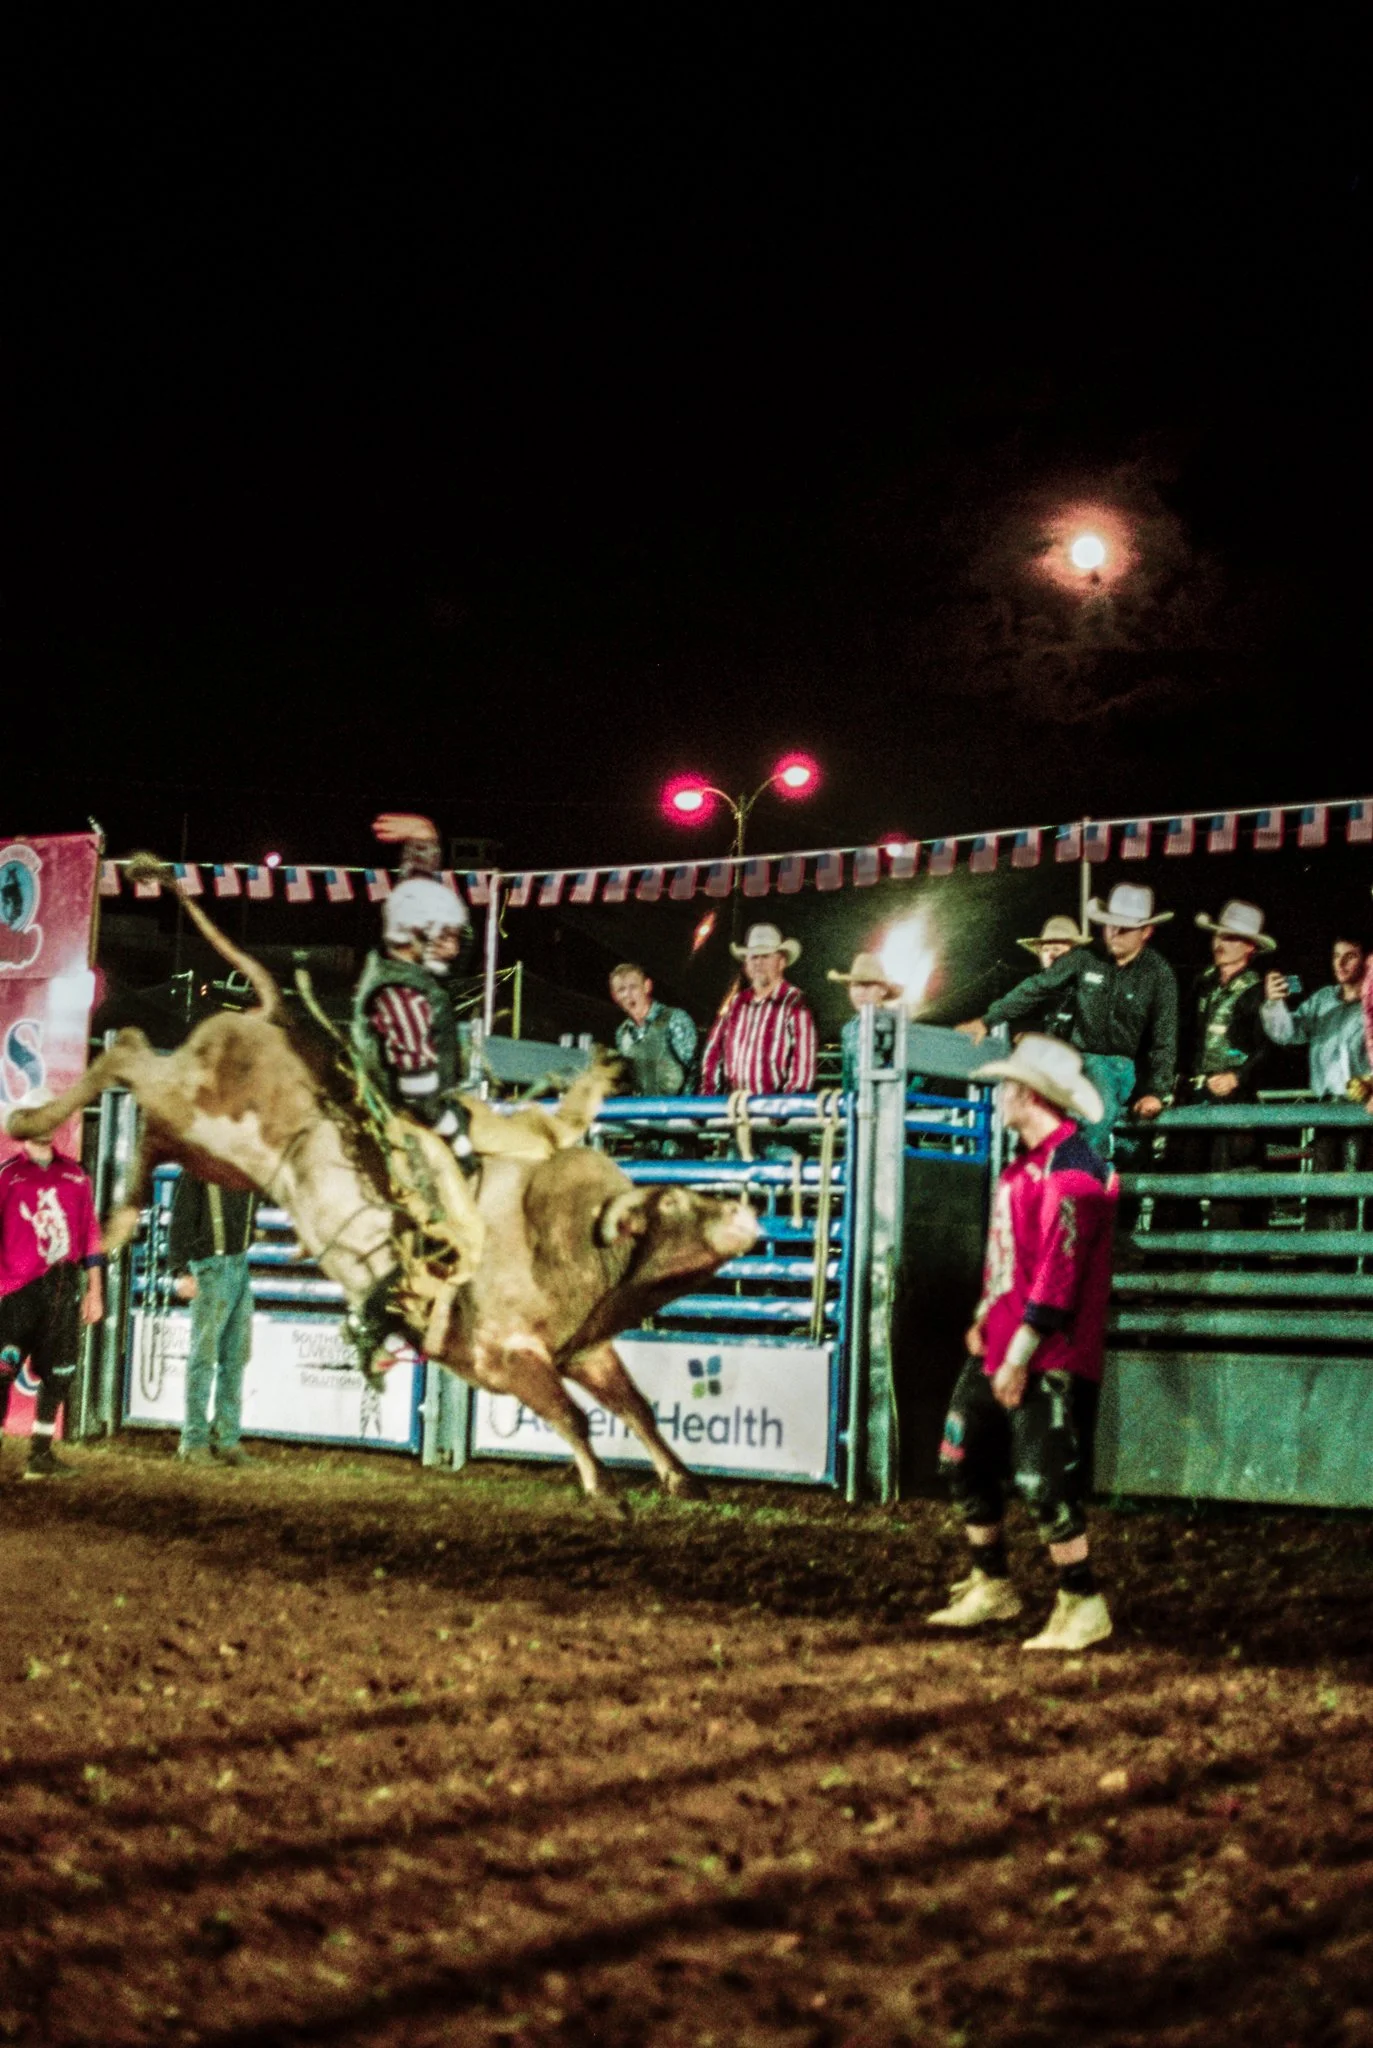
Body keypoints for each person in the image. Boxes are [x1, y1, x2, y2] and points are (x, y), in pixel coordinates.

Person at [927, 1036, 1117, 1652]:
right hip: (1006, 1344)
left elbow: (1058, 1277)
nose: (1000, 1096)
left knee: (1043, 1482)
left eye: (1008, 1087)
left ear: (1030, 1094)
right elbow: (1012, 1257)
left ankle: (1082, 1601)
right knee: (960, 1457)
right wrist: (987, 1314)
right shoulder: (1026, 1167)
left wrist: (1015, 1358)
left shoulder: (1074, 1173)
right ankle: (993, 1584)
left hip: (1050, 1354)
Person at [958, 883, 1177, 1147]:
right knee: (1084, 1110)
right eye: (1109, 925)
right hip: (1081, 1060)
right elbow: (1037, 987)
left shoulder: (1158, 974)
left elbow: (1164, 1037)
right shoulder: (1084, 958)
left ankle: (1078, 1165)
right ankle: (1064, 1166)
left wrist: (1156, 1091)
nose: (1114, 933)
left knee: (1104, 1118)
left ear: (1146, 932)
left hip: (1123, 1067)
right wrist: (988, 1020)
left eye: (1124, 928)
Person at [0, 1096, 104, 1479]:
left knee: (61, 1370)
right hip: (16, 1291)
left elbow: (90, 1234)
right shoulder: (8, 1175)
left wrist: (94, 1291)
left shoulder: (75, 1175)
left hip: (62, 1285)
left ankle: (40, 1455)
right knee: (2, 1370)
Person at [352, 871, 476, 1164]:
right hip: (407, 1121)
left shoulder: (402, 980)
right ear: (413, 934)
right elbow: (419, 1093)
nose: (453, 949)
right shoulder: (402, 996)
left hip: (422, 1111)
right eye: (445, 937)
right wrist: (456, 1135)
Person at [168, 1170, 259, 1465]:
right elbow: (180, 1221)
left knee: (235, 1357)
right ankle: (194, 1440)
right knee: (205, 1357)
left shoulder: (245, 1168)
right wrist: (180, 1271)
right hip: (210, 1268)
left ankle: (226, 1437)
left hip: (237, 1265)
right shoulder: (198, 1170)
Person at [701, 924, 817, 1095]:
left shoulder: (795, 1004)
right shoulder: (736, 1003)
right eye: (753, 957)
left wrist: (785, 1106)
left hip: (774, 1106)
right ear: (746, 963)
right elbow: (713, 1051)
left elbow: (802, 1071)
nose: (758, 963)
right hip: (733, 1104)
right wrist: (709, 1096)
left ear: (781, 962)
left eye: (765, 956)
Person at [1261, 937, 1368, 1101]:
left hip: (1364, 1103)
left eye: (1350, 956)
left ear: (1367, 961)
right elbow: (1288, 1034)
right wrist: (1274, 1003)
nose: (1340, 964)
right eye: (1336, 956)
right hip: (1325, 1103)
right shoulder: (1323, 999)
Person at [609, 963, 698, 1095]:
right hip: (643, 1107)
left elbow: (695, 1070)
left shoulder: (674, 1019)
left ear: (647, 986)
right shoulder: (622, 1034)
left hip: (679, 1106)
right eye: (621, 990)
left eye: (633, 987)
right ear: (614, 996)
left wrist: (685, 1105)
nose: (628, 994)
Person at [829, 950, 904, 1092]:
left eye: (867, 985)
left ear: (882, 990)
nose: (860, 992)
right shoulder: (849, 1029)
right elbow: (848, 1077)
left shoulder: (898, 1025)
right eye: (855, 985)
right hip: (859, 1100)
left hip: (891, 1101)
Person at [1014, 915, 1091, 1041]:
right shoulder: (1031, 991)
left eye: (1057, 949)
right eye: (1045, 950)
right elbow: (1019, 1030)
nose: (1051, 955)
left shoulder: (1090, 990)